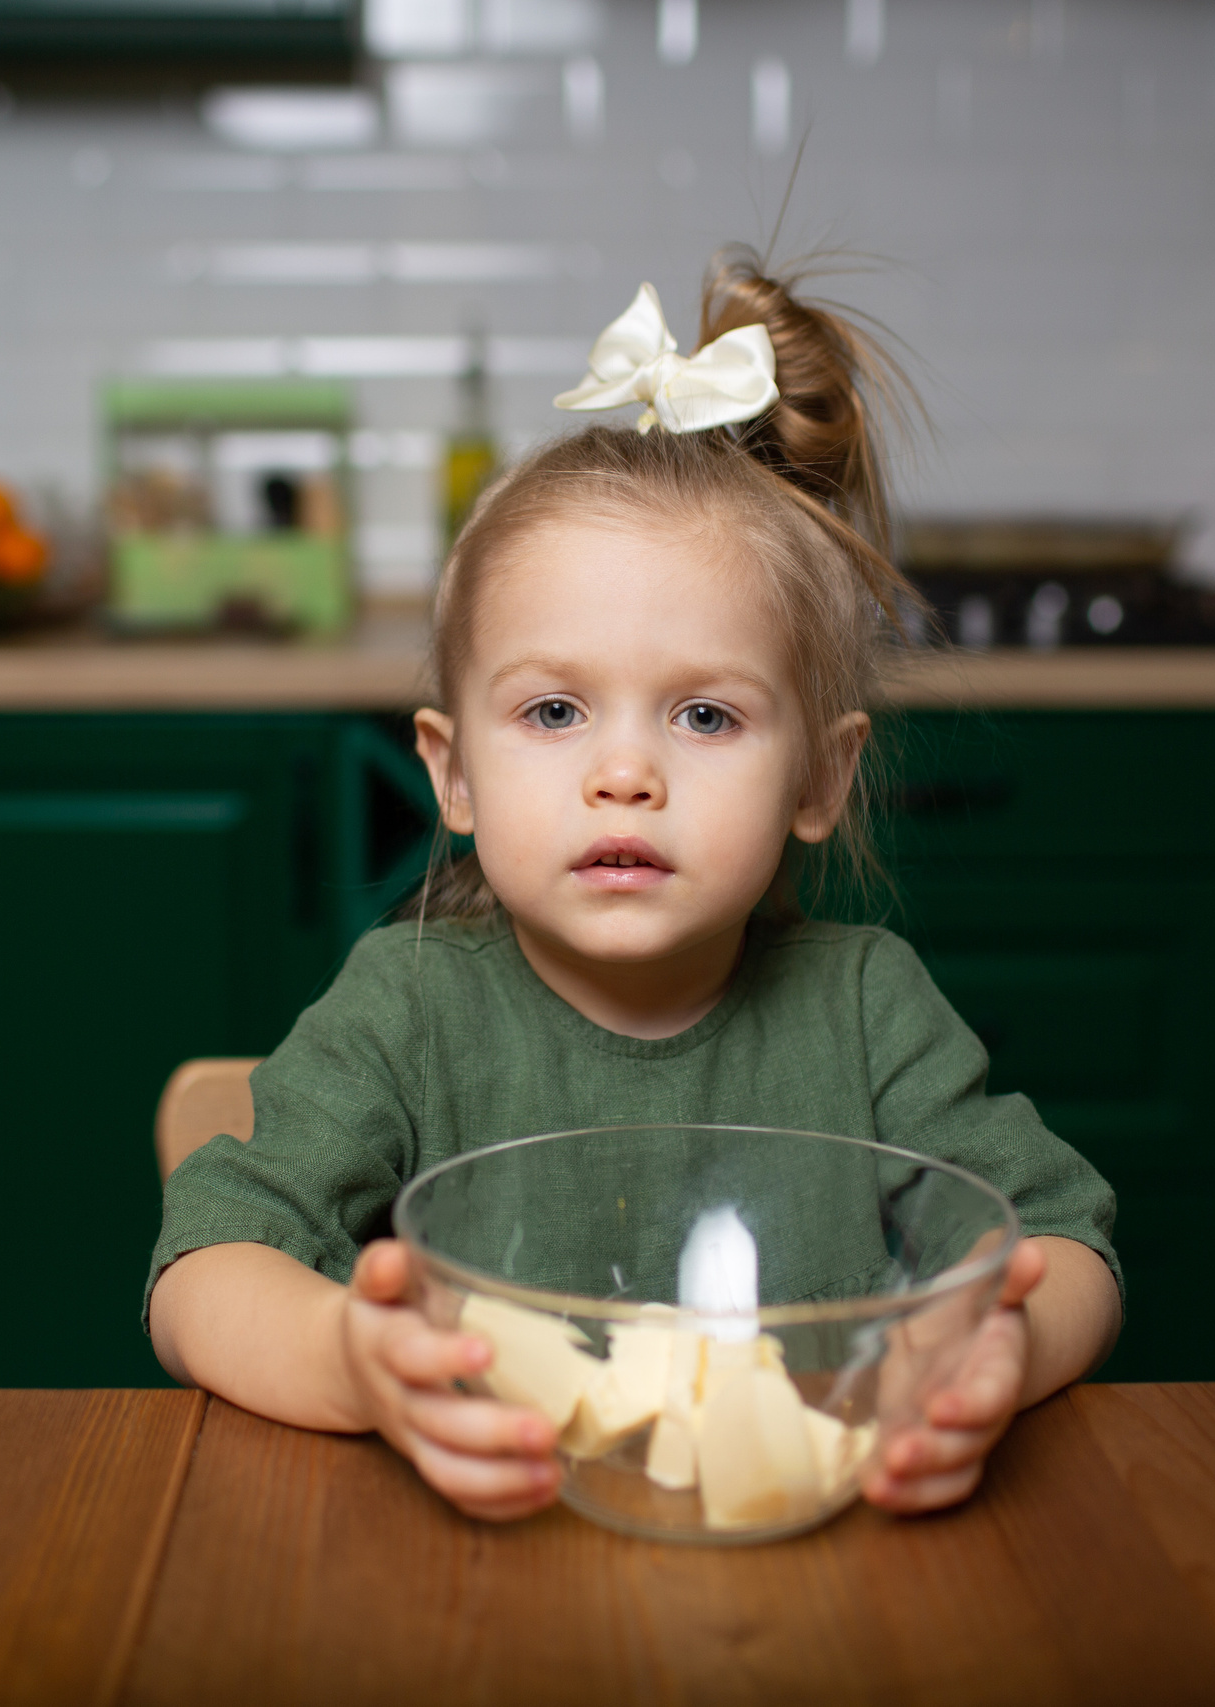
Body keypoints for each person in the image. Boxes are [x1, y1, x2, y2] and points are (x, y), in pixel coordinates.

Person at [147, 250, 1122, 1522]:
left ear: (818, 782)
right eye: (553, 710)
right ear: (454, 775)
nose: (624, 774)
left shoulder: (871, 1006)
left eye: (705, 716)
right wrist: (354, 1364)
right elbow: (201, 1272)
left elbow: (1067, 1247)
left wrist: (998, 1353)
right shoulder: (408, 1007)